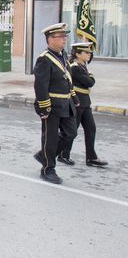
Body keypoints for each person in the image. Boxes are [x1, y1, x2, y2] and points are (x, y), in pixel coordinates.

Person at [32, 23, 79, 184]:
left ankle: (43, 154)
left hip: (66, 103)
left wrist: (74, 98)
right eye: (61, 37)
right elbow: (40, 85)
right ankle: (47, 168)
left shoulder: (63, 55)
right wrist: (44, 106)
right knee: (50, 138)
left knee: (71, 133)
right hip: (51, 104)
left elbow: (67, 79)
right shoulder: (44, 59)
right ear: (50, 39)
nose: (64, 39)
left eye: (65, 36)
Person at [61, 42, 108, 167]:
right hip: (77, 102)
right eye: (86, 52)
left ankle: (91, 158)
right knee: (72, 130)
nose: (89, 54)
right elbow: (89, 82)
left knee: (91, 128)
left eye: (89, 52)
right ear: (77, 54)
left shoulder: (82, 65)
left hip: (85, 102)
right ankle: (63, 154)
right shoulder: (75, 67)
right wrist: (91, 75)